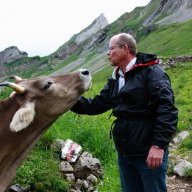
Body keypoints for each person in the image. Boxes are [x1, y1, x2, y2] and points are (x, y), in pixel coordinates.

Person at [71, 33, 178, 192]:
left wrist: (158, 146)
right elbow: (97, 105)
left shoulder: (151, 72)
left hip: (148, 153)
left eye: (111, 48)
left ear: (125, 49)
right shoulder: (116, 77)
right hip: (125, 153)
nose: (108, 53)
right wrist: (67, 99)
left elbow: (167, 109)